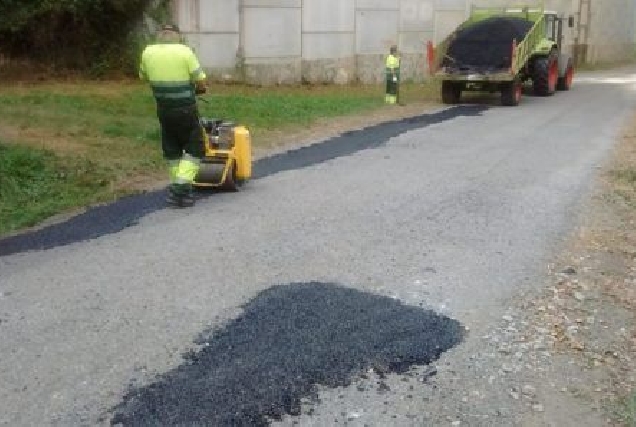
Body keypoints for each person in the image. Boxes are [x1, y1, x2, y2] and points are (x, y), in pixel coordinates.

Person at [139, 24, 208, 207]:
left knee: (172, 150)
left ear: (159, 36)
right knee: (196, 148)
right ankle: (179, 188)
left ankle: (181, 195)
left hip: (164, 109)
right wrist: (201, 90)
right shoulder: (185, 52)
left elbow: (143, 76)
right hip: (185, 109)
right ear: (177, 36)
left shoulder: (147, 52)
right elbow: (200, 80)